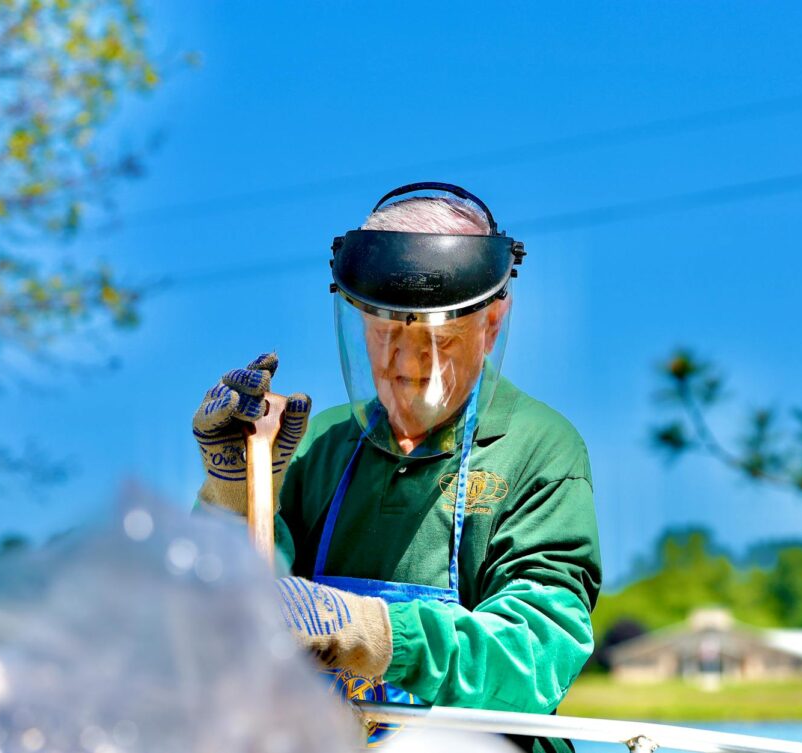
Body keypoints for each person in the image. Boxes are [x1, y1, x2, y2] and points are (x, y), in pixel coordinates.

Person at [192, 183, 601, 752]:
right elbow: (217, 624)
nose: (407, 365)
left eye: (441, 341)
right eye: (384, 333)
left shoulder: (538, 448)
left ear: (492, 322)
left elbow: (535, 657)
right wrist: (235, 494)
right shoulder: (317, 442)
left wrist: (375, 634)